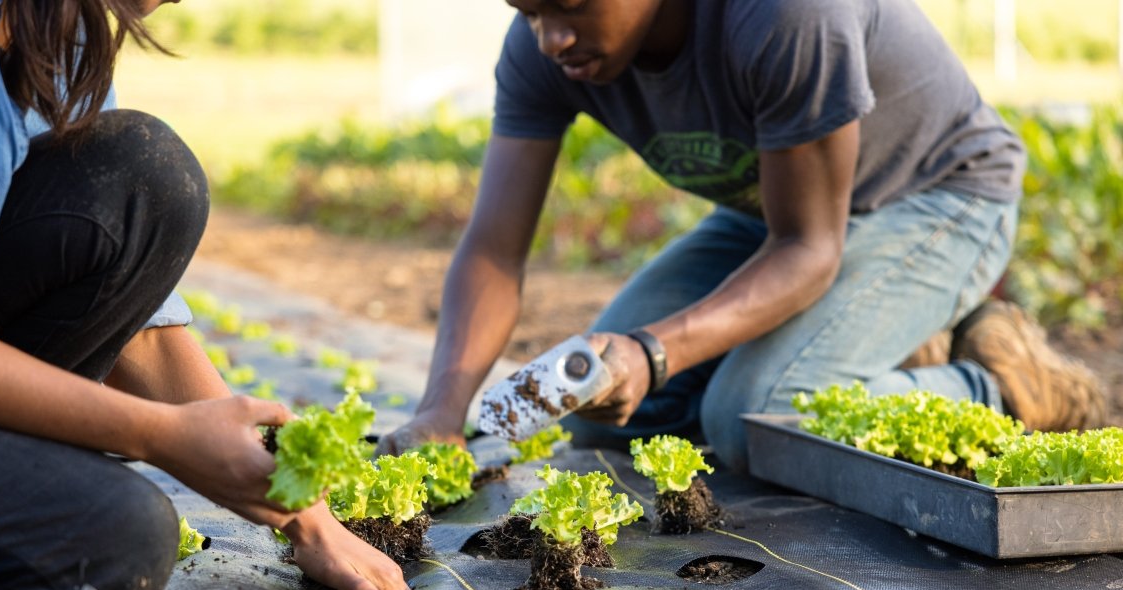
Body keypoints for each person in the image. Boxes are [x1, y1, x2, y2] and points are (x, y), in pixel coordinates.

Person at [379, 0, 1106, 466]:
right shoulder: (542, 48)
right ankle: (875, 336)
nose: (552, 37)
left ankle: (1003, 384)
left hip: (938, 197)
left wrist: (652, 352)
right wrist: (441, 413)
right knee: (601, 421)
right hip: (778, 217)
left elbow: (811, 252)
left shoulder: (785, 14)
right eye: (529, 11)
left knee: (754, 419)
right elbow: (494, 250)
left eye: (569, 6)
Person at [0, 0, 408, 590]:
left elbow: (136, 314)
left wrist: (307, 520)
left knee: (144, 175)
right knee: (117, 540)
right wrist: (159, 435)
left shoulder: (63, 27)